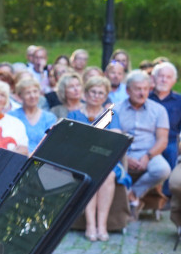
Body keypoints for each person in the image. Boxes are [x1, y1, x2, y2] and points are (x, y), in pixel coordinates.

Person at [67, 76, 123, 241]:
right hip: (80, 159)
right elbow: (71, 139)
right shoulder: (74, 114)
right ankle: (90, 225)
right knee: (90, 174)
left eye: (101, 93)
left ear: (105, 97)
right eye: (93, 92)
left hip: (105, 159)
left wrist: (89, 135)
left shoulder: (111, 115)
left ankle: (102, 225)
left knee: (109, 175)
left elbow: (117, 137)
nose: (96, 96)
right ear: (85, 94)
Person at [115, 70, 171, 212]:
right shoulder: (116, 109)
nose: (142, 93)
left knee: (163, 169)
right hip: (122, 153)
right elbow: (111, 139)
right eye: (138, 89)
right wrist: (126, 157)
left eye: (146, 89)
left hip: (149, 152)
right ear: (128, 90)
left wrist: (148, 156)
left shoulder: (159, 110)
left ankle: (132, 194)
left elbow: (162, 140)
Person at [149, 62, 181, 172]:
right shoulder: (145, 98)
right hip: (148, 139)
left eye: (168, 77)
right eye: (161, 76)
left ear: (174, 81)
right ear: (153, 78)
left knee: (172, 151)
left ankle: (168, 188)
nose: (164, 80)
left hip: (171, 140)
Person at [9, 76, 57, 153]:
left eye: (35, 92)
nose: (32, 96)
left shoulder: (49, 118)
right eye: (28, 93)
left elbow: (51, 144)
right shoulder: (12, 116)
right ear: (20, 96)